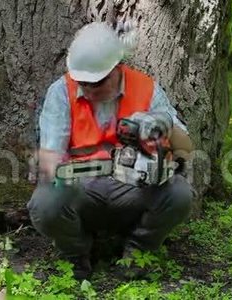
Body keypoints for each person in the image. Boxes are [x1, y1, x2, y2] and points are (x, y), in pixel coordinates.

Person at [27, 22, 194, 280]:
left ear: (117, 68)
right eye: (83, 82)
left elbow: (186, 147)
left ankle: (138, 252)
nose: (89, 89)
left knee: (179, 193)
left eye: (98, 82)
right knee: (45, 202)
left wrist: (165, 125)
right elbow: (51, 158)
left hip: (135, 189)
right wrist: (51, 167)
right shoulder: (61, 91)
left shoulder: (146, 88)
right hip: (81, 189)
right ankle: (76, 254)